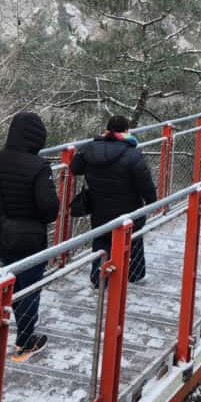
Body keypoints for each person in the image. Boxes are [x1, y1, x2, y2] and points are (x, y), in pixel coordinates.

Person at [0, 111, 59, 361]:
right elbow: (50, 210)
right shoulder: (39, 167)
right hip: (31, 238)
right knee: (29, 287)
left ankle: (6, 326)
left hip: (1, 235)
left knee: (11, 278)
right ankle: (26, 340)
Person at [71, 115, 157, 287]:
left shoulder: (90, 149)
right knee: (133, 239)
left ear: (107, 130)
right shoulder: (133, 154)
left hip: (99, 207)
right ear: (126, 131)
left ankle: (99, 278)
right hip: (129, 209)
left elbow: (75, 168)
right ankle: (135, 274)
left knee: (102, 240)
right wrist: (151, 201)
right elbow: (145, 183)